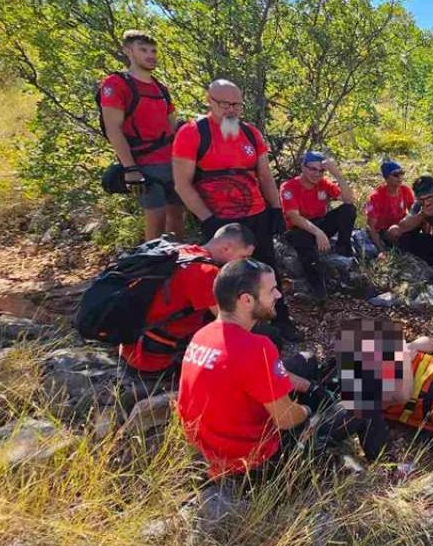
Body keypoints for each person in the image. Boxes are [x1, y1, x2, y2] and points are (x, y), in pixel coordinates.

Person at [178, 259, 386, 481]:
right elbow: (287, 419)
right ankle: (388, 466)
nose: (278, 295)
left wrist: (307, 386)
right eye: (271, 290)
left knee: (306, 361)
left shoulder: (202, 336)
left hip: (214, 448)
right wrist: (308, 410)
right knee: (365, 398)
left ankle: (325, 406)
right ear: (246, 300)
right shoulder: (257, 348)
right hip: (259, 464)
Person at [171, 79, 302, 341]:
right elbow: (182, 184)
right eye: (224, 104)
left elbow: (265, 176)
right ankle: (232, 330)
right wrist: (207, 219)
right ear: (209, 101)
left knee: (267, 269)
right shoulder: (192, 133)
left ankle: (280, 319)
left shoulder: (251, 133)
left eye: (237, 105)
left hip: (256, 215)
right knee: (226, 278)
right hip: (220, 222)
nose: (231, 110)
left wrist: (276, 209)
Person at [118, 223, 256, 409]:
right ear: (226, 248)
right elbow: (231, 323)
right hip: (152, 359)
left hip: (133, 344)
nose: (242, 264)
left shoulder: (183, 251)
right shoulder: (204, 271)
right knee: (256, 338)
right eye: (243, 257)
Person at [99, 30, 183, 240]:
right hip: (144, 164)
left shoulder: (160, 88)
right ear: (128, 51)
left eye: (153, 51)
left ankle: (178, 259)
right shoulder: (116, 84)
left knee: (177, 218)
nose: (150, 55)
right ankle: (151, 260)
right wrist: (130, 168)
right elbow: (113, 128)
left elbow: (172, 126)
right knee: (156, 219)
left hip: (172, 163)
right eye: (143, 50)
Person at [280, 152, 357, 299]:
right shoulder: (289, 187)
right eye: (313, 169)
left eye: (321, 171)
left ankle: (343, 250)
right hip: (299, 228)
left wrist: (337, 175)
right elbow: (293, 217)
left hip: (319, 222)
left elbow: (349, 200)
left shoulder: (324, 183)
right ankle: (318, 290)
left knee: (348, 210)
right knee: (303, 243)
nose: (317, 174)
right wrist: (318, 233)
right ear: (303, 167)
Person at [364, 158, 414, 254]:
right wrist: (381, 250)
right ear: (386, 178)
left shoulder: (405, 190)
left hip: (402, 226)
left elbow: (413, 212)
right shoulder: (374, 197)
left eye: (401, 173)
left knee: (424, 216)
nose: (400, 177)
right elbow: (370, 227)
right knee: (394, 231)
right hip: (385, 232)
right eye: (396, 175)